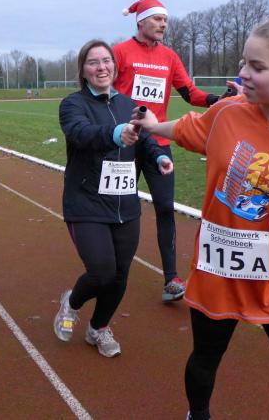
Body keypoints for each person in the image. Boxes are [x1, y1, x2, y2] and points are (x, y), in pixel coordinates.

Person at [131, 19, 269, 420]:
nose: (243, 73)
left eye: (257, 66)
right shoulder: (228, 113)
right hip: (218, 269)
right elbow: (188, 127)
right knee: (205, 360)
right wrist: (153, 126)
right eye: (243, 62)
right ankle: (197, 413)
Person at [53, 40, 174, 358]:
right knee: (101, 272)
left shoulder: (128, 104)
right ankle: (71, 303)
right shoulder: (73, 105)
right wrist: (115, 134)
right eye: (93, 62)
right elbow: (80, 133)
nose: (101, 67)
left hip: (125, 204)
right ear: (83, 70)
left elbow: (145, 139)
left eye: (106, 60)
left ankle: (98, 328)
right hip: (86, 202)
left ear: (114, 66)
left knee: (120, 276)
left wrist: (159, 157)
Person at [113, 0, 236, 302]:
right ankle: (111, 268)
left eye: (165, 20)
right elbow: (106, 91)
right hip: (126, 141)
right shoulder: (120, 52)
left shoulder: (169, 57)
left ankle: (171, 279)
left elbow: (190, 93)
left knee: (165, 208)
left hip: (158, 143)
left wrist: (219, 100)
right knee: (120, 206)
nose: (163, 24)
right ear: (141, 21)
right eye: (158, 19)